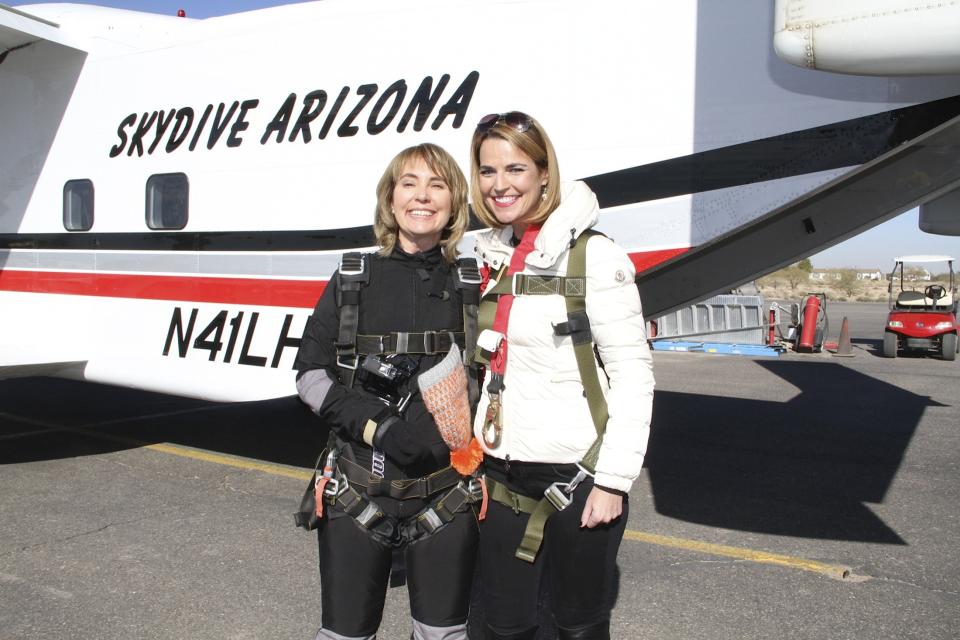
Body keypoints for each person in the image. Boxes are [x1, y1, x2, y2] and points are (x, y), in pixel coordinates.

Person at [469, 112, 655, 640]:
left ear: (545, 173)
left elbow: (634, 375)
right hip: (501, 473)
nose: (500, 184)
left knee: (578, 625)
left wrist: (614, 482)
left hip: (578, 476)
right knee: (504, 624)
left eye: (516, 168)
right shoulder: (494, 254)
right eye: (487, 171)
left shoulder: (595, 255)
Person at [295, 143, 482, 640]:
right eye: (410, 183)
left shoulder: (473, 284)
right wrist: (379, 427)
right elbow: (309, 375)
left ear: (454, 201)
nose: (422, 197)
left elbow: (500, 378)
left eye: (437, 185)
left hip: (448, 497)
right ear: (391, 199)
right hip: (358, 494)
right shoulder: (354, 279)